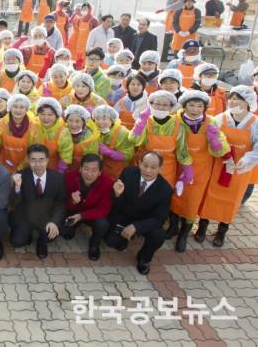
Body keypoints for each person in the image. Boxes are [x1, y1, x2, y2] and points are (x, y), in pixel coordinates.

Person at [196, 86, 258, 247]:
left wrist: (248, 159)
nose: (233, 102)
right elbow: (210, 138)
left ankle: (222, 231)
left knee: (232, 199)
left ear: (248, 102)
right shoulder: (220, 118)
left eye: (238, 99)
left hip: (240, 169)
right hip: (218, 165)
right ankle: (202, 227)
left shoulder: (254, 122)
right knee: (210, 195)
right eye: (231, 98)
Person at [168, 90, 229, 252]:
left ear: (205, 108)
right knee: (174, 198)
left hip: (201, 170)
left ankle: (183, 235)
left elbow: (221, 149)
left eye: (199, 106)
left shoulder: (211, 122)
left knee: (192, 202)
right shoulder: (175, 120)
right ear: (184, 105)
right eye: (191, 105)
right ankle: (173, 227)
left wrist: (215, 141)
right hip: (177, 167)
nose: (195, 109)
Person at [106, 151, 173, 275]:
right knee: (111, 242)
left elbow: (159, 219)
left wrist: (136, 227)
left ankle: (144, 258)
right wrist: (117, 194)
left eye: (153, 167)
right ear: (139, 163)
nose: (148, 170)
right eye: (145, 165)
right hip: (125, 215)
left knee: (158, 235)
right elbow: (116, 202)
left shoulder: (165, 190)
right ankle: (125, 238)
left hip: (144, 221)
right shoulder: (128, 172)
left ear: (160, 168)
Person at [10, 144, 66, 259]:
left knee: (50, 235)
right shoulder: (21, 175)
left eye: (41, 160)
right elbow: (15, 204)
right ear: (28, 160)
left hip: (46, 216)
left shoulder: (58, 178)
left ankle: (41, 242)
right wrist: (17, 188)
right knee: (17, 242)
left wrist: (54, 221)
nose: (37, 164)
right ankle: (28, 234)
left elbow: (60, 204)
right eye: (33, 160)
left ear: (47, 160)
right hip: (27, 215)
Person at [63, 154, 114, 260]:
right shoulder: (69, 177)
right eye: (86, 169)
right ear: (80, 169)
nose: (89, 174)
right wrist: (72, 201)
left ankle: (94, 244)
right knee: (65, 232)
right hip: (73, 211)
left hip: (92, 214)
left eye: (94, 170)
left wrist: (82, 216)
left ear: (99, 172)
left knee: (102, 224)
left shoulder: (107, 182)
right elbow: (63, 202)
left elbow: (103, 210)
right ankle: (73, 227)